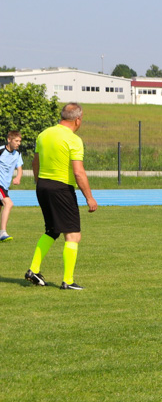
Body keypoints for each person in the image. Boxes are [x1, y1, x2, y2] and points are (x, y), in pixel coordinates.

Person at [25, 103, 98, 290]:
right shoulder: (73, 140)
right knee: (73, 234)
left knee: (52, 230)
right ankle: (68, 280)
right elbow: (79, 172)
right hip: (61, 189)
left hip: (42, 185)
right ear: (78, 119)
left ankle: (33, 270)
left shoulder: (44, 134)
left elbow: (35, 162)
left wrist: (39, 182)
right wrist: (89, 197)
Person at [0, 130, 24, 242]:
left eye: (20, 141)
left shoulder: (18, 154)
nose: (18, 143)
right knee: (8, 203)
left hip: (5, 186)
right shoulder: (0, 151)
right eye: (16, 141)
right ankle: (3, 233)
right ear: (9, 140)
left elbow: (19, 169)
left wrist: (18, 177)